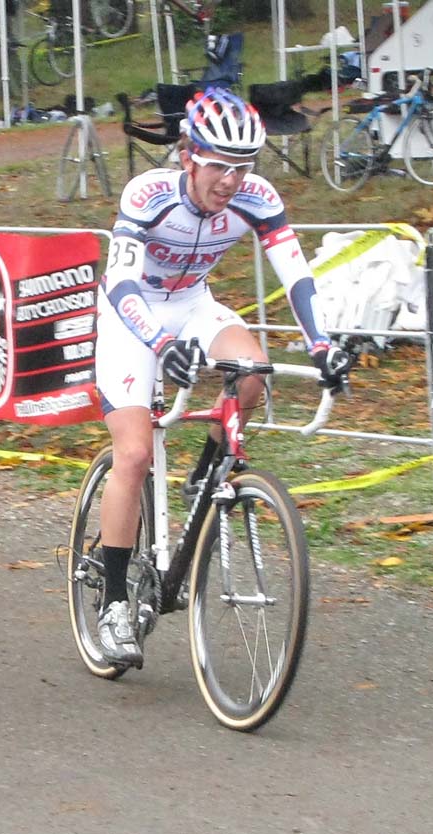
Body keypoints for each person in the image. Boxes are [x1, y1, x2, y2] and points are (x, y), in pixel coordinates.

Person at [93, 88, 351, 666]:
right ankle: (113, 605)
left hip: (192, 303)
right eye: (219, 166)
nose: (232, 180)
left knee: (253, 371)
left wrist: (323, 346)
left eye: (243, 167)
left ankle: (204, 481)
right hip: (130, 312)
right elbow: (123, 282)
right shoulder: (150, 194)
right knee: (133, 455)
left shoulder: (257, 198)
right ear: (189, 156)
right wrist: (161, 344)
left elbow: (298, 273)